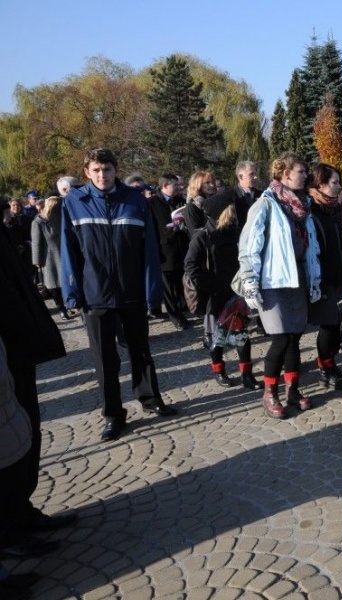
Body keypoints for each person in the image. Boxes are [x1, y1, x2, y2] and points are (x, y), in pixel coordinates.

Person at [61, 148, 178, 442]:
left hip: (131, 291)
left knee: (140, 350)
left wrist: (153, 293)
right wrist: (72, 293)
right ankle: (113, 414)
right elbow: (68, 252)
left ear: (116, 171)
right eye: (97, 170)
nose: (103, 175)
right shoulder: (74, 203)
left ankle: (150, 398)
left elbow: (149, 251)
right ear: (87, 172)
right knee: (104, 359)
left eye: (108, 170)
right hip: (95, 294)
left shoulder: (136, 201)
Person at [0, 222, 76, 563]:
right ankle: (7, 530)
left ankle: (20, 510)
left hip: (18, 348)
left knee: (24, 430)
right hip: (7, 345)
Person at [237, 152, 321, 419]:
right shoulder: (265, 204)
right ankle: (269, 393)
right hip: (273, 282)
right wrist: (250, 281)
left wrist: (315, 278)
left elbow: (312, 247)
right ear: (284, 174)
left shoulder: (303, 206)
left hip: (297, 279)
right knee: (281, 338)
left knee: (295, 337)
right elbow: (250, 247)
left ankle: (292, 390)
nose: (305, 175)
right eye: (301, 171)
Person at [184, 203, 262, 390]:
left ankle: (247, 374)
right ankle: (219, 371)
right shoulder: (203, 235)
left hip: (236, 292)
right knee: (215, 337)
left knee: (241, 335)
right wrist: (208, 285)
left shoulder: (237, 232)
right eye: (233, 211)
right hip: (214, 295)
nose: (236, 214)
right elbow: (191, 265)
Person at [306, 164, 342, 390]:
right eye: (334, 182)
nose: (339, 186)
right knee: (328, 324)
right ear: (320, 185)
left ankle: (332, 360)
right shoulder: (310, 211)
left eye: (339, 182)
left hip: (341, 275)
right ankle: (325, 366)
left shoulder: (335, 209)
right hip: (323, 279)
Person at [148, 173, 191, 330]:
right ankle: (175, 316)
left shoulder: (181, 201)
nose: (179, 188)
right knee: (168, 287)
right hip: (164, 250)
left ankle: (182, 309)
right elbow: (152, 229)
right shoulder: (152, 203)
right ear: (164, 186)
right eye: (175, 185)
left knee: (181, 283)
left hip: (182, 248)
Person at [30, 196, 73, 320]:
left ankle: (70, 304)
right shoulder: (38, 222)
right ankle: (61, 309)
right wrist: (37, 261)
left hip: (64, 254)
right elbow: (36, 242)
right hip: (50, 258)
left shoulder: (62, 218)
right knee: (55, 284)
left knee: (67, 281)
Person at [204, 160, 262, 228]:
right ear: (241, 177)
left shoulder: (261, 195)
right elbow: (207, 207)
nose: (255, 177)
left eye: (255, 174)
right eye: (251, 174)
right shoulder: (229, 197)